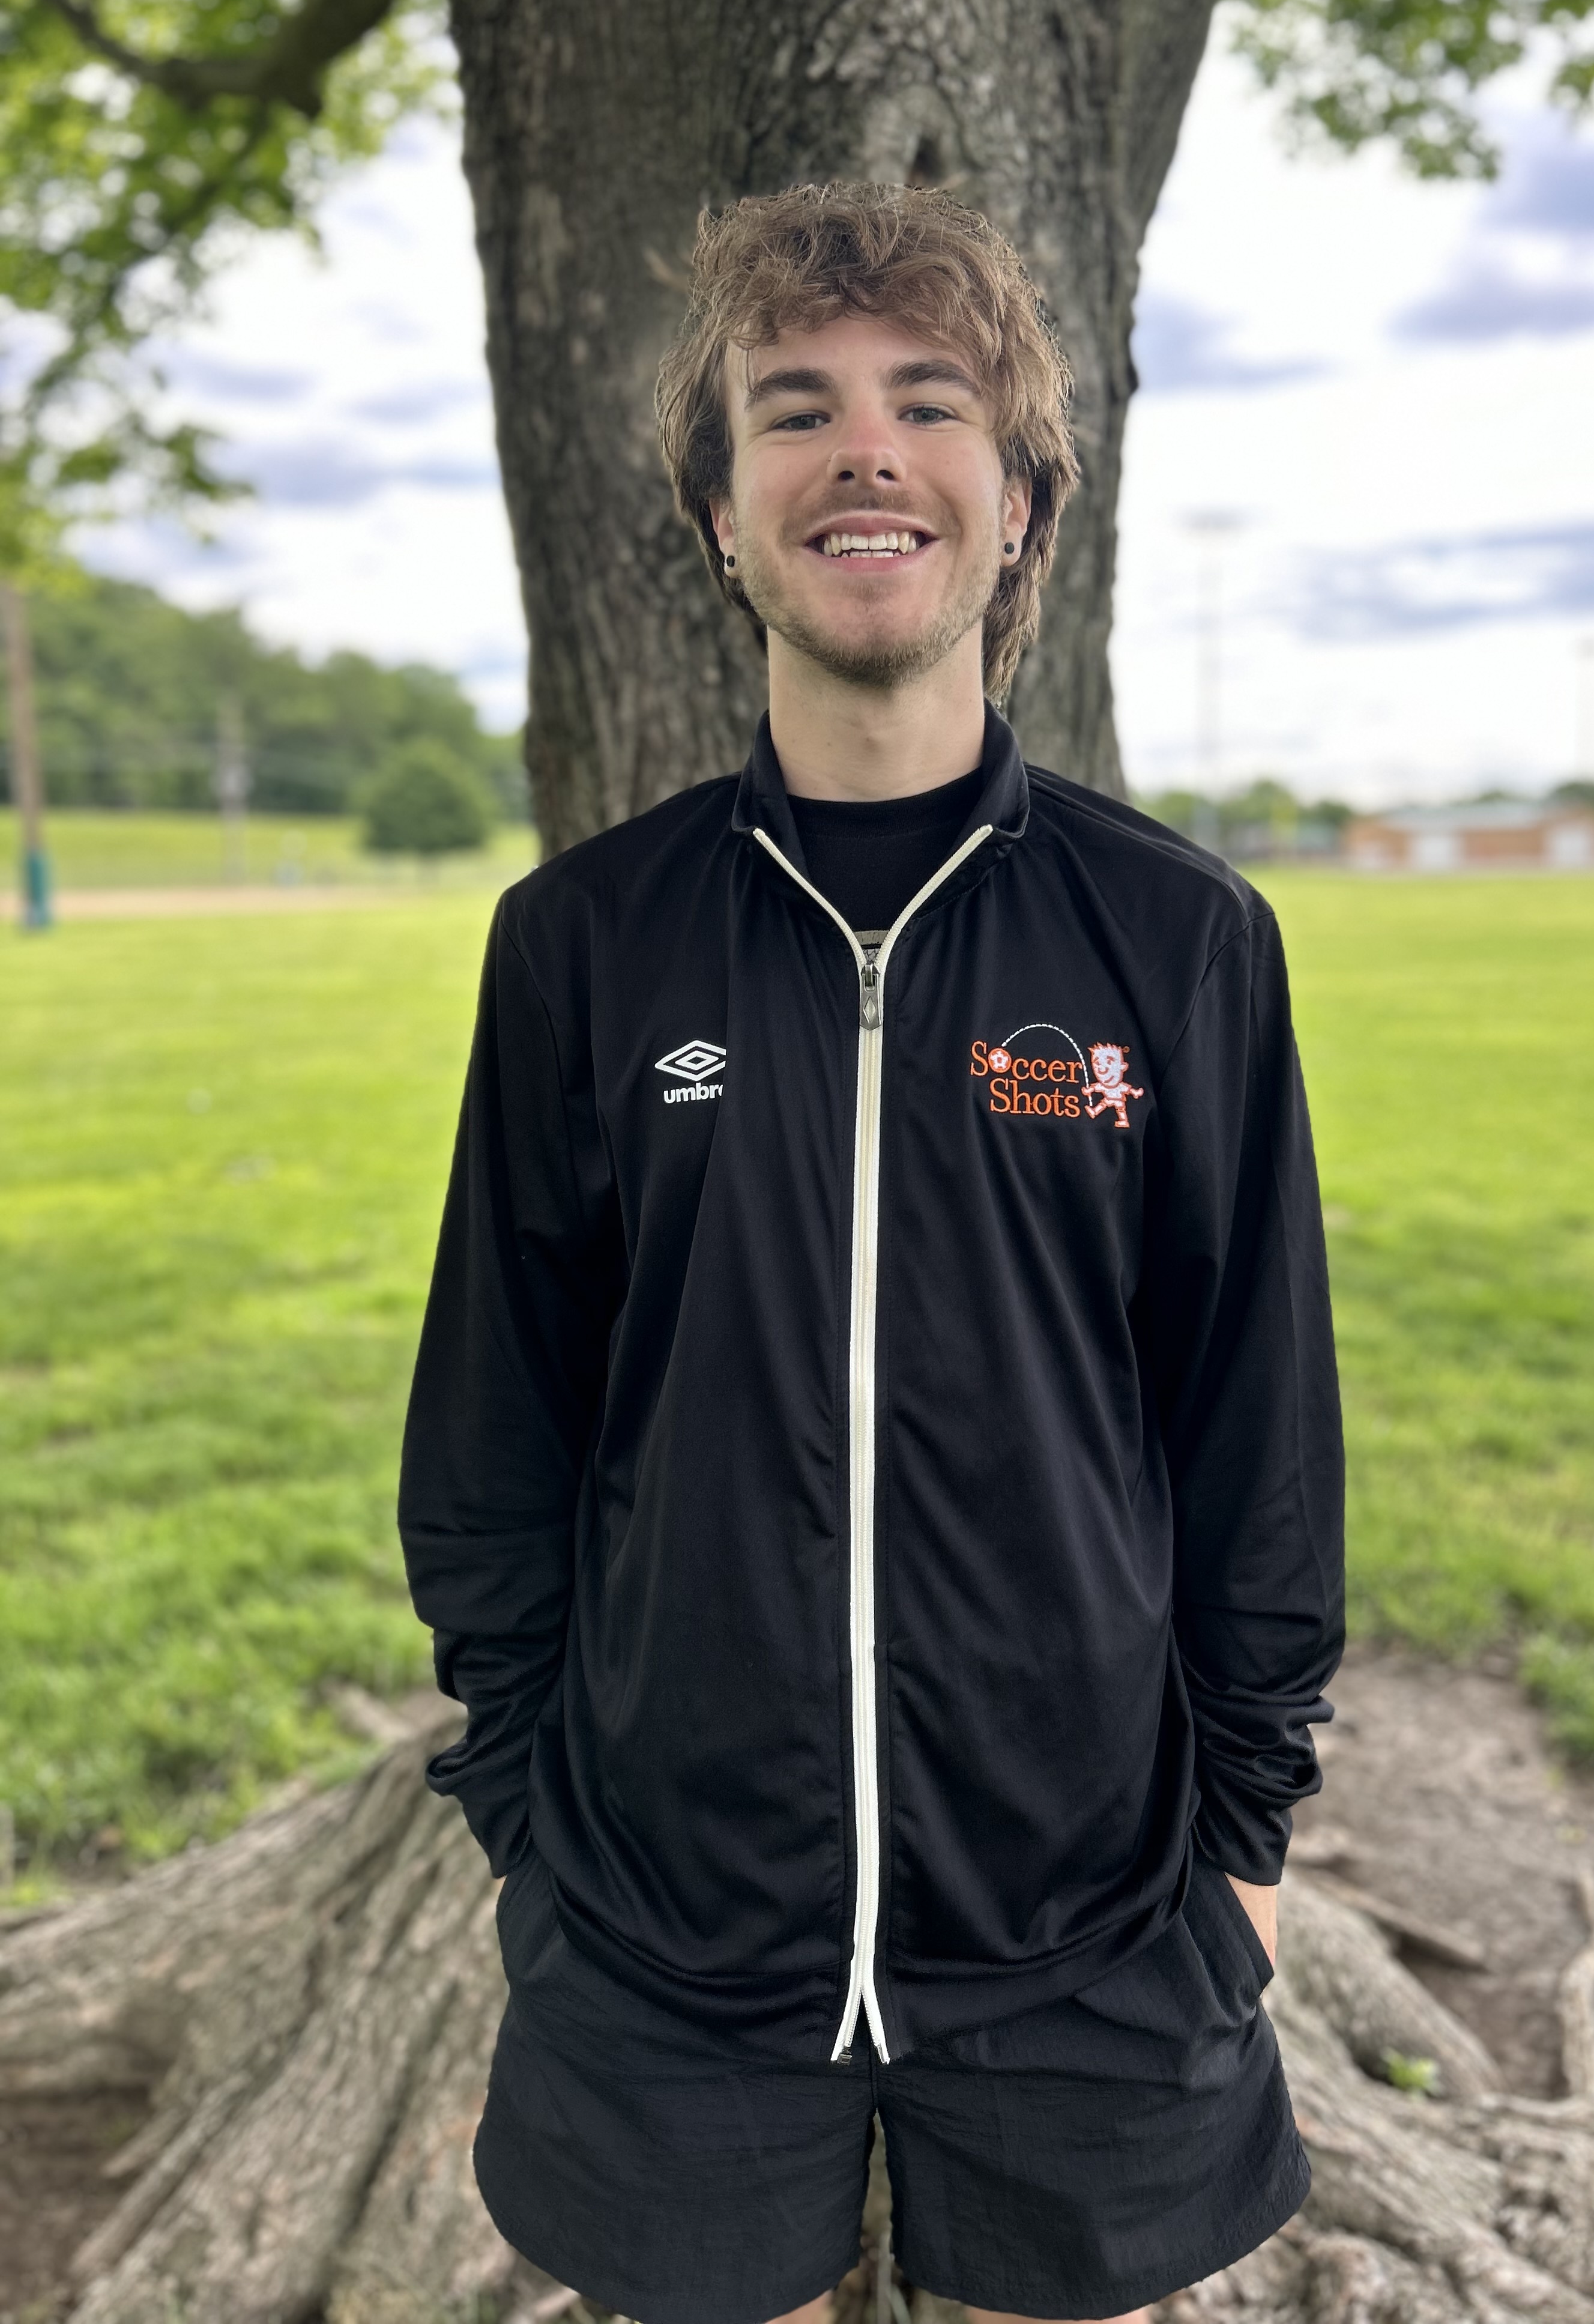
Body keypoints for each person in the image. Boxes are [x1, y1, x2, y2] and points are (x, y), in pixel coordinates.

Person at [397, 180, 1345, 2324]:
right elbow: (495, 1428)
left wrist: (1247, 1850)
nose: (866, 449)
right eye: (793, 408)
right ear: (719, 513)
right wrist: (536, 1837)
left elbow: (1255, 1425)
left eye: (931, 402)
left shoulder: (1174, 939)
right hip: (663, 1933)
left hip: (1090, 1919)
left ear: (1021, 505)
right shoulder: (583, 944)